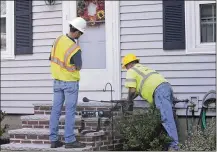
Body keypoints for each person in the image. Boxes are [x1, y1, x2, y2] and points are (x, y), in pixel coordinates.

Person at [122, 53, 179, 151]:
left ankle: (174, 147)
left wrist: (129, 100)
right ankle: (168, 145)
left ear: (129, 64)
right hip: (166, 87)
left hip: (159, 91)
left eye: (126, 66)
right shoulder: (144, 69)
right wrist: (130, 97)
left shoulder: (131, 70)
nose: (126, 69)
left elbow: (132, 90)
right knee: (167, 117)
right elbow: (136, 90)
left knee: (166, 118)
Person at [48, 17, 87, 149]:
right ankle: (69, 140)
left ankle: (53, 140)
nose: (80, 37)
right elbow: (79, 66)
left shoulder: (57, 40)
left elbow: (51, 58)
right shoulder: (75, 48)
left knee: (56, 110)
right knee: (70, 111)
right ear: (77, 32)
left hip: (57, 81)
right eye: (80, 34)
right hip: (70, 83)